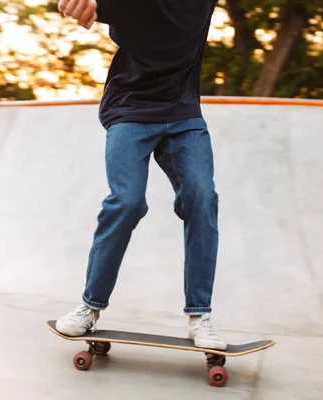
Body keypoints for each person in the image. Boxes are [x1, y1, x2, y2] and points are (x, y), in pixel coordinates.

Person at [54, 0, 226, 350]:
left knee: (202, 197)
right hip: (130, 110)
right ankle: (90, 306)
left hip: (183, 114)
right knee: (127, 202)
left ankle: (200, 315)